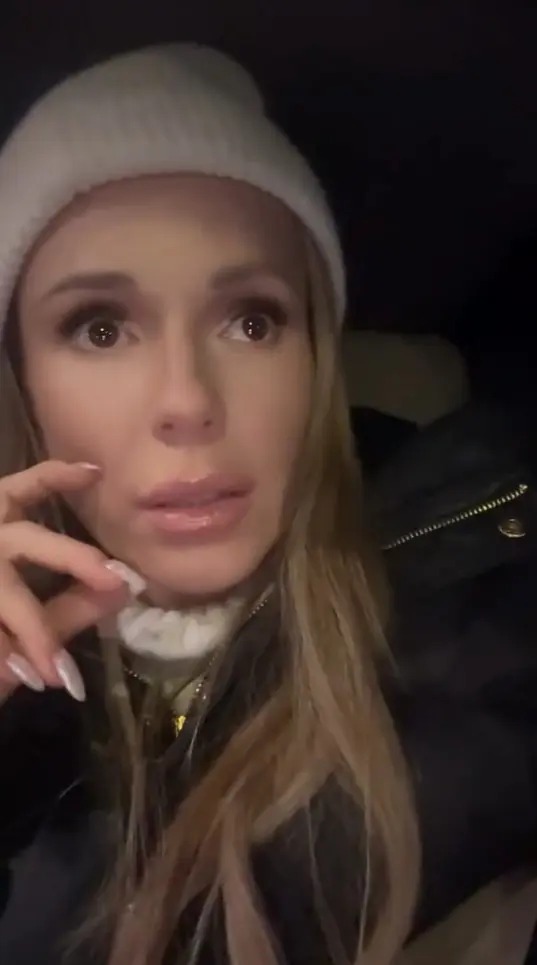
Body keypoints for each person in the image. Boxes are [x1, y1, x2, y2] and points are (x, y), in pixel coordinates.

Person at [0, 45, 534, 965]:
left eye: (252, 320)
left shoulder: (481, 628)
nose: (186, 400)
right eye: (100, 327)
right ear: (23, 388)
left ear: (315, 359)